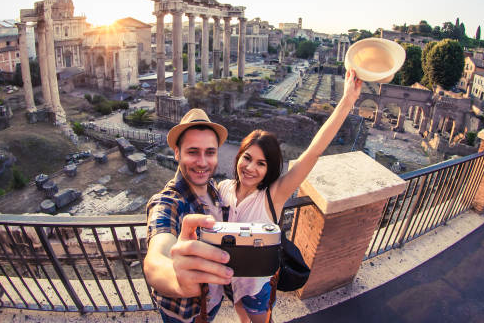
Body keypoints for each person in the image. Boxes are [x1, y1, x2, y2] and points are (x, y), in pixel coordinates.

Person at [217, 69, 363, 323]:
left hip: (256, 284)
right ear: (238, 156)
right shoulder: (224, 188)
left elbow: (314, 152)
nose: (251, 168)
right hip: (230, 278)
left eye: (261, 164)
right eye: (247, 158)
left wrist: (347, 101)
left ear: (269, 170)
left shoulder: (273, 195)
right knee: (241, 314)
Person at [144, 109, 234, 323]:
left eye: (210, 152)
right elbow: (155, 260)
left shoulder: (213, 188)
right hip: (183, 314)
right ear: (177, 153)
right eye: (193, 152)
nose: (203, 162)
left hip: (212, 301)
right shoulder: (168, 202)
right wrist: (175, 277)